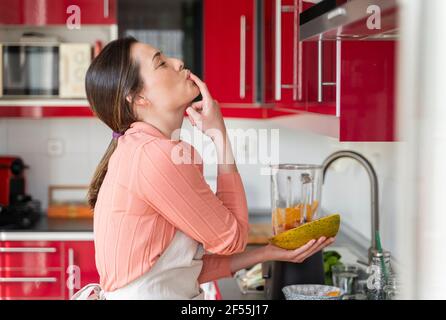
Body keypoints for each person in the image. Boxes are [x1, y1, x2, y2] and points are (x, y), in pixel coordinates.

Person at [72, 37, 335, 300]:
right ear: (138, 97)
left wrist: (267, 252)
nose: (178, 62)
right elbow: (233, 238)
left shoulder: (143, 149)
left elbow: (181, 270)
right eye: (161, 63)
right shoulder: (155, 156)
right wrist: (219, 135)